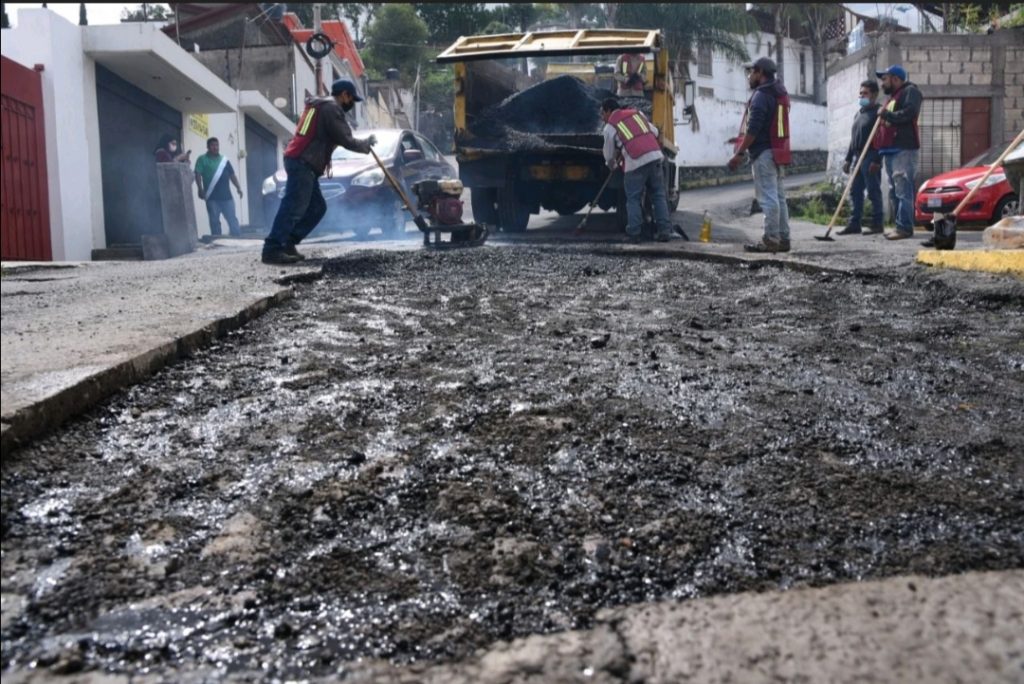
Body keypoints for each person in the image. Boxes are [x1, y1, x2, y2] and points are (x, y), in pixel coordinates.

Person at [262, 79, 376, 265]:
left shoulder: (321, 106)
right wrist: (365, 145)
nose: (351, 104)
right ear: (344, 94)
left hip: (302, 161)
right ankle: (272, 248)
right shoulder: (331, 108)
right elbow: (345, 138)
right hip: (303, 162)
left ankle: (288, 242)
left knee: (317, 207)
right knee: (293, 206)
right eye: (351, 99)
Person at [728, 56, 792, 253]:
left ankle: (771, 239)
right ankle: (783, 238)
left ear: (760, 73)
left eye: (751, 72)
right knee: (778, 196)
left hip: (763, 153)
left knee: (768, 197)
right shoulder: (779, 93)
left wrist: (739, 153)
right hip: (778, 151)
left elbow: (753, 130)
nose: (749, 76)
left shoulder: (761, 96)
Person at [600, 97, 673, 243]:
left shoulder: (610, 127)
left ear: (608, 111)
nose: (602, 117)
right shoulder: (637, 114)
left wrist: (612, 166)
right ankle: (664, 231)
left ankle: (634, 233)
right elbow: (655, 132)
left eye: (602, 113)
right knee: (658, 195)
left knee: (633, 198)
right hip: (655, 157)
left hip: (635, 161)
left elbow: (608, 155)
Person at [870, 65, 923, 242]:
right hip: (890, 150)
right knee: (894, 190)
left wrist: (886, 114)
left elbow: (909, 113)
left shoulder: (910, 92)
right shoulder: (892, 98)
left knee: (903, 189)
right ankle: (899, 225)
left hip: (904, 149)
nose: (882, 83)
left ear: (896, 79)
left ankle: (904, 228)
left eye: (884, 79)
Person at [837, 80, 884, 236]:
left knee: (873, 191)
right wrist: (848, 158)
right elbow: (854, 139)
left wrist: (877, 160)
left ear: (874, 95)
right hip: (858, 156)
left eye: (865, 93)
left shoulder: (878, 113)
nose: (862, 96)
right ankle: (854, 224)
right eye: (860, 93)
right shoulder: (859, 113)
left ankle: (877, 224)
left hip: (870, 155)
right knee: (855, 190)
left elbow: (882, 138)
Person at [194, 137, 244, 237]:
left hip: (227, 197)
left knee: (232, 220)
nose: (215, 147)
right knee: (214, 222)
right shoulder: (202, 159)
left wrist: (238, 188)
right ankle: (217, 242)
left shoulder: (224, 160)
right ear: (208, 147)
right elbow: (197, 174)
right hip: (212, 198)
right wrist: (200, 189)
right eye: (213, 145)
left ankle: (238, 240)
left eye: (217, 145)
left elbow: (232, 175)